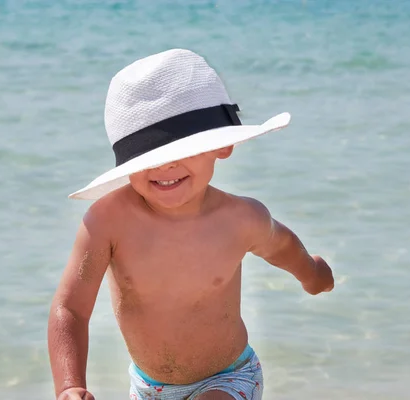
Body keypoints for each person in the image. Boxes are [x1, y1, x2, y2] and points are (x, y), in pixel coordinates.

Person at [48, 49, 334, 400]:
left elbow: (281, 245)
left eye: (182, 150)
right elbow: (71, 308)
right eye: (148, 158)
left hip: (228, 378)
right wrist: (70, 385)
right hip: (146, 387)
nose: (165, 168)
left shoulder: (240, 218)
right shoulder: (107, 222)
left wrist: (311, 273)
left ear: (222, 146)